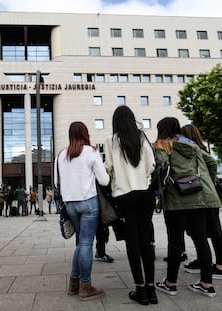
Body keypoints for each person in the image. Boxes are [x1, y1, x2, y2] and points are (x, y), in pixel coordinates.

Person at [154, 117, 220, 298]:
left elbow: (159, 169)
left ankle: (170, 283)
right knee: (201, 240)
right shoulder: (191, 144)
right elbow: (212, 162)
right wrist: (207, 183)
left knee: (175, 242)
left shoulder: (161, 146)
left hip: (176, 201)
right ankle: (207, 284)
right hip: (198, 197)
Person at [104, 106, 157, 305]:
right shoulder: (142, 137)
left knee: (132, 242)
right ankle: (152, 289)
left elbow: (108, 168)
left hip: (123, 196)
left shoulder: (111, 141)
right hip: (144, 194)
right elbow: (152, 165)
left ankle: (140, 290)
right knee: (146, 240)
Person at [54, 121, 110, 301]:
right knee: (86, 243)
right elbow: (104, 181)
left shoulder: (61, 155)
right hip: (88, 203)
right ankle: (85, 286)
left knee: (81, 243)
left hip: (70, 204)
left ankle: (73, 283)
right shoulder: (91, 152)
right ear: (86, 134)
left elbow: (56, 183)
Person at [180, 124, 222, 281]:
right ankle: (213, 264)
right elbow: (212, 164)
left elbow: (213, 164)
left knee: (202, 232)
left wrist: (206, 179)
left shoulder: (195, 150)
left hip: (204, 196)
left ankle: (217, 266)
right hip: (210, 196)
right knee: (212, 231)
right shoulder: (201, 149)